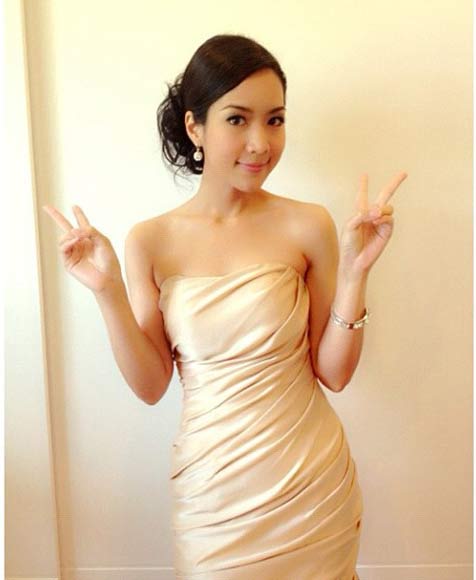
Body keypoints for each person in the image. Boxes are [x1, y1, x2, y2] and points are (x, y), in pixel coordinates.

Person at [43, 33, 407, 580]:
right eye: (237, 119)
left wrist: (356, 273)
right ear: (195, 127)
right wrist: (107, 290)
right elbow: (151, 385)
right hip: (212, 494)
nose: (260, 143)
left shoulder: (308, 224)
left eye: (275, 120)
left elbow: (335, 373)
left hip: (309, 485)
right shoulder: (150, 240)